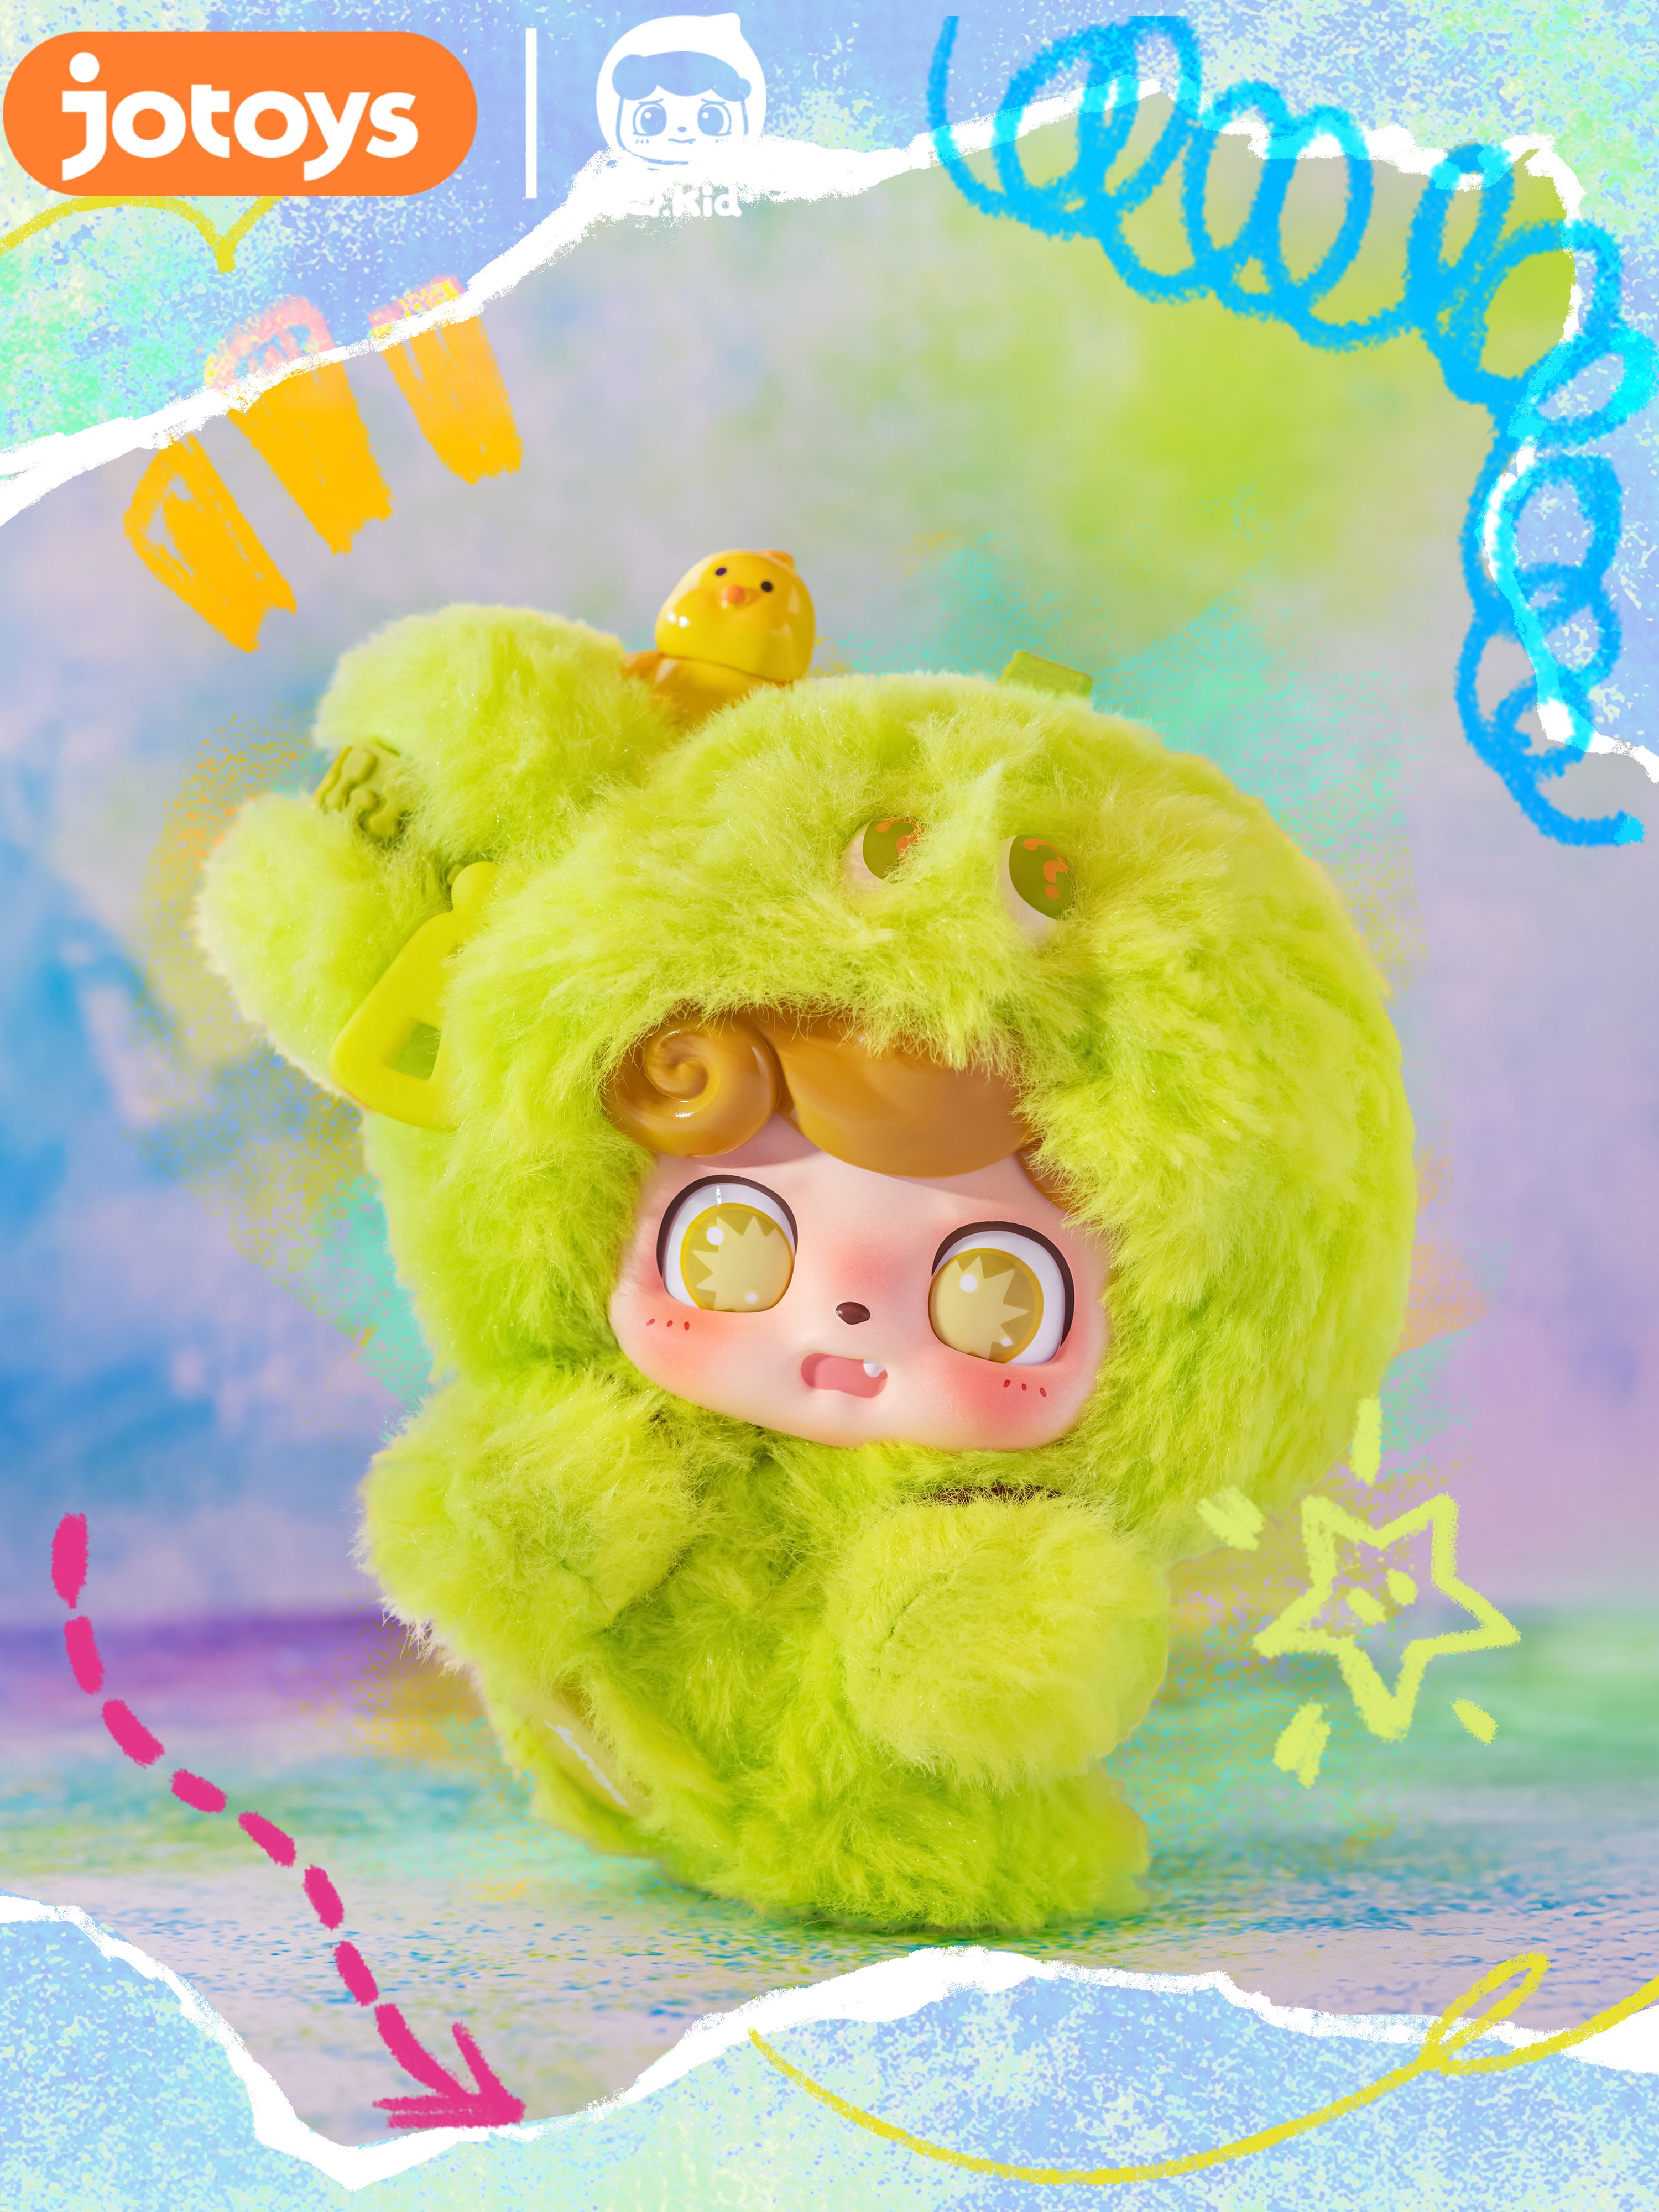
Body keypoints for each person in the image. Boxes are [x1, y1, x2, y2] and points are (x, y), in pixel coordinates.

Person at [198, 602, 1413, 1929]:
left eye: (994, 1297)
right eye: (730, 1242)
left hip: (904, 1789)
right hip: (611, 1746)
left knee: (982, 1650)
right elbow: (477, 1540)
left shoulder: (998, 1520)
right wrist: (522, 1520)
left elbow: (1048, 1652)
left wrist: (1002, 1636)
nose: (841, 1315)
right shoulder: (612, 1405)